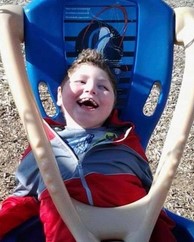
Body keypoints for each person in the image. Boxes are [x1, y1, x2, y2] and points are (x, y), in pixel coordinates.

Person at [0, 49, 176, 242]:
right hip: (66, 223)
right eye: (80, 81)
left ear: (113, 105)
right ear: (59, 95)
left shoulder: (126, 141)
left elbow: (151, 194)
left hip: (130, 223)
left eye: (103, 88)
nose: (91, 89)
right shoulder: (42, 141)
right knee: (50, 204)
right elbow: (24, 197)